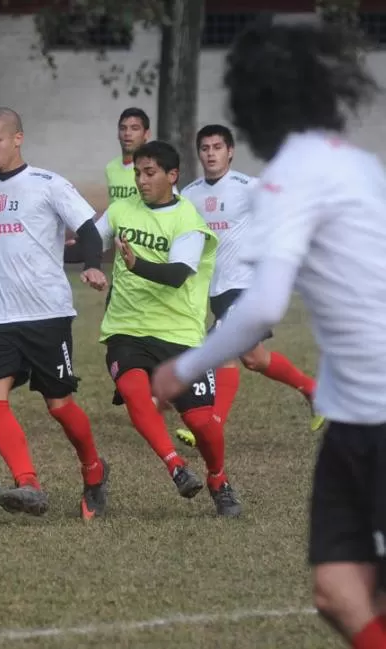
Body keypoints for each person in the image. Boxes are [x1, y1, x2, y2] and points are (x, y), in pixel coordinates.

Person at [150, 16, 386, 647]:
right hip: (352, 416)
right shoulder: (359, 166)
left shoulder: (285, 179)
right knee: (337, 591)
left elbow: (261, 309)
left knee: (347, 590)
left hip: (378, 416)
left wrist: (183, 367)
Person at [0, 106, 110, 519]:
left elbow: (87, 229)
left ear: (17, 138)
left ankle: (94, 469)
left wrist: (92, 265)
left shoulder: (48, 184)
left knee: (59, 404)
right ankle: (28, 482)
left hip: (46, 313)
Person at [95, 140, 241, 518]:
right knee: (132, 389)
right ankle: (175, 466)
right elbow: (89, 238)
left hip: (179, 335)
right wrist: (87, 259)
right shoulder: (121, 210)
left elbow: (178, 275)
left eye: (150, 173)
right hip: (126, 327)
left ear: (172, 176)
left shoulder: (188, 221)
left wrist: (136, 264)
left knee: (201, 423)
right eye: (138, 173)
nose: (141, 181)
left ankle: (218, 479)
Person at [174, 124, 324, 448]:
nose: (211, 153)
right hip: (214, 290)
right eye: (205, 148)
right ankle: (312, 390)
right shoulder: (189, 194)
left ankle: (211, 425)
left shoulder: (248, 187)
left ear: (230, 151)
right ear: (199, 153)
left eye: (217, 147)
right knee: (255, 359)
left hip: (246, 287)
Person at [105, 107, 152, 204]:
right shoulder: (110, 167)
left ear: (146, 134)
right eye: (123, 128)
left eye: (134, 128)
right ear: (118, 133)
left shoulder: (154, 168)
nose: (127, 133)